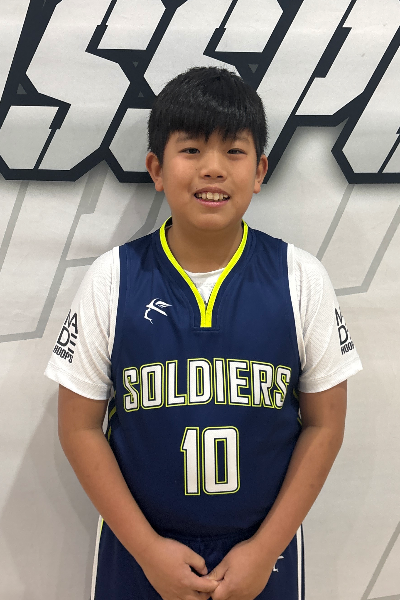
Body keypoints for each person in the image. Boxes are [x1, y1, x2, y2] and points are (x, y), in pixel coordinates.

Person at [45, 66, 362, 600]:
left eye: (234, 151)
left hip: (264, 551)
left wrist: (265, 550)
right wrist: (148, 549)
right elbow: (78, 427)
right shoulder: (112, 278)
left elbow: (325, 424)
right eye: (191, 150)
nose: (212, 168)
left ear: (259, 170)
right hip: (139, 549)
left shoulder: (300, 277)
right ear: (157, 168)